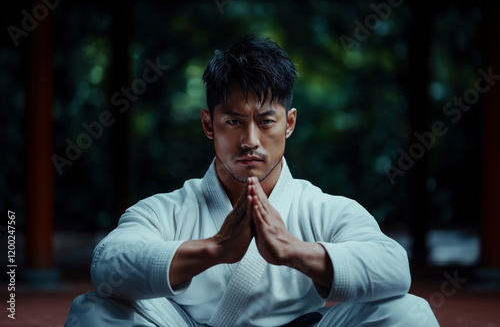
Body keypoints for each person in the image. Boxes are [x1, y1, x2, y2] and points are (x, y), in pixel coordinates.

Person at [65, 35, 439, 327]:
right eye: (233, 121)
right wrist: (215, 248)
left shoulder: (324, 209)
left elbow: (394, 269)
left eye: (265, 121)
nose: (250, 141)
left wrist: (295, 252)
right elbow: (107, 265)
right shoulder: (167, 210)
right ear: (208, 124)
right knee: (94, 311)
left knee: (408, 313)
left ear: (289, 123)